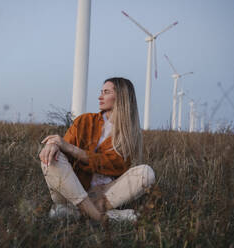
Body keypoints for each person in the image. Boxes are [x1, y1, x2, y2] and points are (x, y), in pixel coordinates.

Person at [39, 77, 155, 222]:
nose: (100, 96)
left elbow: (113, 165)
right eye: (101, 92)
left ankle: (76, 212)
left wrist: (72, 149)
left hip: (103, 194)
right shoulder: (84, 120)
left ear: (121, 97)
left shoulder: (128, 134)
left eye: (106, 92)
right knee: (49, 159)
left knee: (146, 173)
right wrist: (54, 145)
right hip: (71, 189)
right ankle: (102, 217)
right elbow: (63, 152)